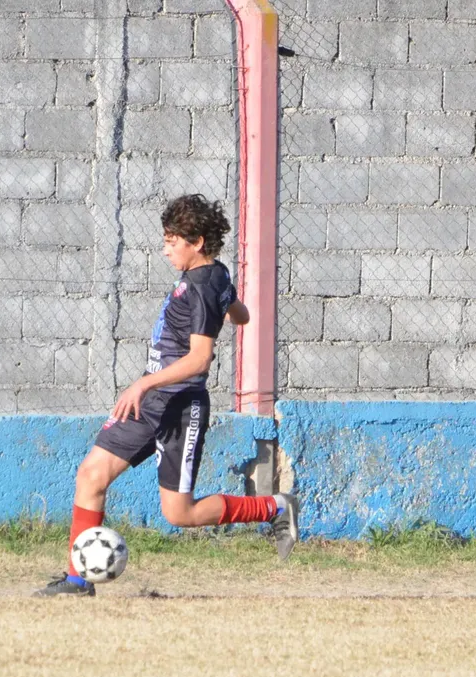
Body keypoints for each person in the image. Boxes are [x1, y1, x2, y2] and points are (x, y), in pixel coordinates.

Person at [35, 194, 298, 597]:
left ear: (197, 242)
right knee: (91, 474)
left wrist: (143, 382)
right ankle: (77, 580)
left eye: (173, 241)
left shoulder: (201, 287)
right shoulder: (212, 276)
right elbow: (242, 316)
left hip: (179, 406)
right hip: (152, 402)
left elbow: (199, 359)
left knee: (180, 513)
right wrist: (226, 302)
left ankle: (276, 507)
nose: (165, 249)